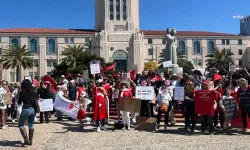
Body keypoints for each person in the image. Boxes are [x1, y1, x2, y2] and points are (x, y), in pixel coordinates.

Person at [18, 79, 38, 146]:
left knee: (20, 124)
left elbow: (19, 102)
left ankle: (26, 140)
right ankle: (30, 141)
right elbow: (36, 100)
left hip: (26, 109)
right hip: (33, 110)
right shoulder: (34, 92)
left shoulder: (22, 92)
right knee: (31, 125)